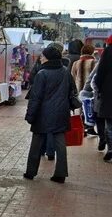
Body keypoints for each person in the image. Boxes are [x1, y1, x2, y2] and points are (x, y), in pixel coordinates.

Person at [24, 43, 80, 182]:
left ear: (48, 58)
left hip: (42, 114)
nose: (41, 58)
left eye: (43, 56)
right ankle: (61, 174)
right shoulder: (65, 71)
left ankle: (31, 172)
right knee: (60, 144)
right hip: (61, 112)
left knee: (37, 143)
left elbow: (35, 97)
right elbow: (72, 91)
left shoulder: (42, 74)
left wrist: (30, 115)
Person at [72, 44, 97, 135]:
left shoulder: (76, 63)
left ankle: (82, 129)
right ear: (91, 52)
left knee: (80, 109)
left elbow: (73, 76)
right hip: (90, 90)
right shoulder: (94, 62)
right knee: (90, 109)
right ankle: (90, 127)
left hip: (79, 89)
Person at [93, 43, 112, 162]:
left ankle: (110, 149)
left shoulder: (109, 51)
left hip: (109, 91)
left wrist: (99, 89)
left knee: (109, 123)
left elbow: (100, 72)